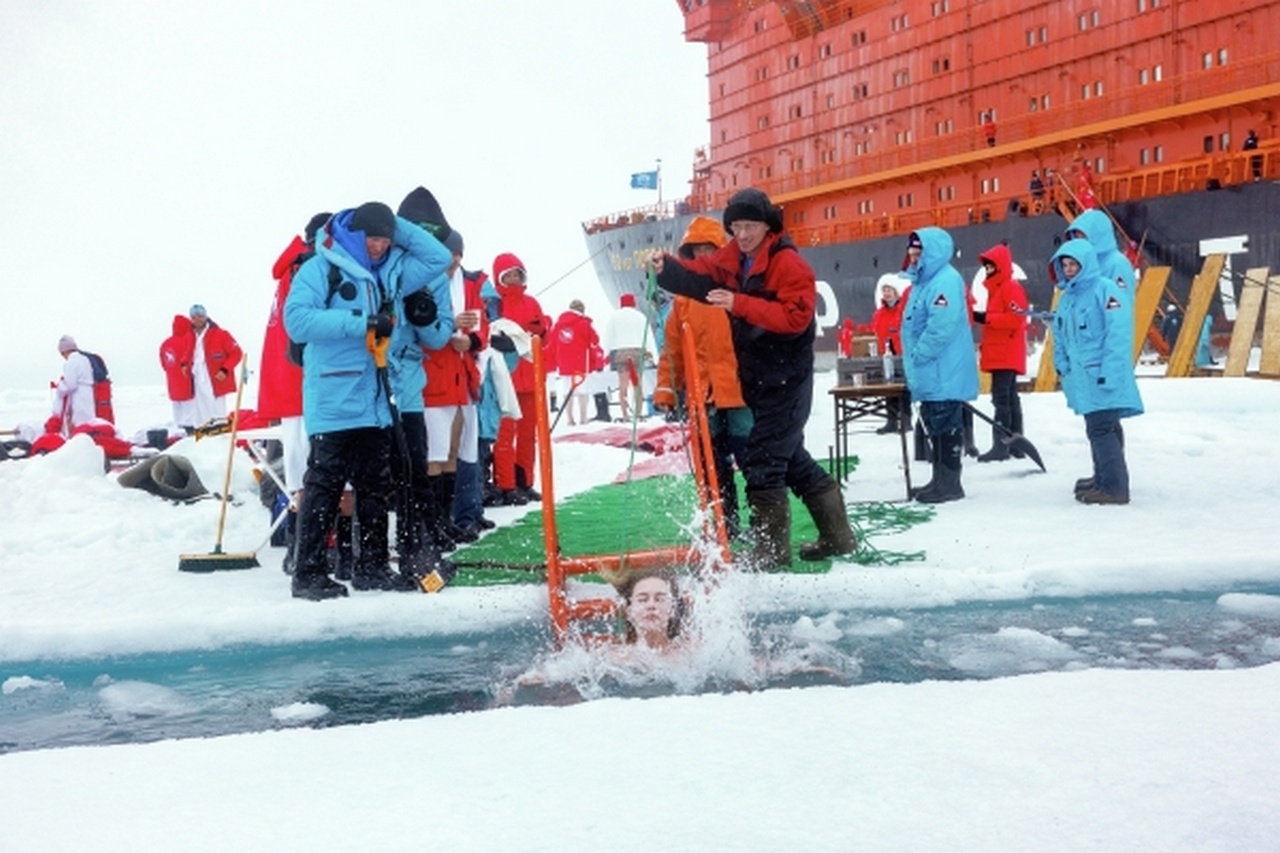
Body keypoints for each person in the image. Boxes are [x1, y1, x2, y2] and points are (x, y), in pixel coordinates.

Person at [650, 187, 856, 569]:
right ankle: (838, 537)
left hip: (787, 381)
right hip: (758, 381)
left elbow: (796, 320)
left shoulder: (790, 264)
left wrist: (739, 304)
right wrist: (669, 270)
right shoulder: (734, 259)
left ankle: (771, 552)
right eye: (736, 227)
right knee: (790, 459)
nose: (742, 234)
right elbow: (702, 277)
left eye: (750, 226)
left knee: (762, 460)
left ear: (768, 226)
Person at [284, 201, 453, 600]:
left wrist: (397, 226)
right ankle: (307, 573)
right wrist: (361, 323)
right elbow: (298, 321)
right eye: (373, 237)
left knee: (374, 485)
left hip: (376, 395)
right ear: (354, 234)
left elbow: (438, 256)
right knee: (324, 485)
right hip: (333, 396)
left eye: (385, 239)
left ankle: (372, 566)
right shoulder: (320, 269)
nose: (379, 246)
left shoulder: (392, 271)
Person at [653, 215, 752, 536]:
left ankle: (763, 523)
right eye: (694, 251)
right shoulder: (682, 302)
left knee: (752, 459)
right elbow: (672, 353)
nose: (701, 256)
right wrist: (667, 391)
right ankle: (726, 526)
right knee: (713, 468)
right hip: (702, 398)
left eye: (708, 248)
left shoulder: (737, 290)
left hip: (739, 394)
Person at [1050, 238, 1143, 505]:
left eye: (1073, 264)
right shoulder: (1068, 298)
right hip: (1084, 378)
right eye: (1064, 264)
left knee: (1101, 429)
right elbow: (1061, 335)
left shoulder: (1106, 290)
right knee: (1102, 428)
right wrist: (1062, 367)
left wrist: (1110, 373)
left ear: (1086, 264)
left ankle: (1114, 487)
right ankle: (1103, 477)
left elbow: (1118, 334)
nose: (1068, 269)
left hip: (1101, 376)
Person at [900, 228, 979, 503]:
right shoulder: (924, 282)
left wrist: (918, 354)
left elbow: (941, 325)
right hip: (933, 371)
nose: (912, 255)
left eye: (918, 250)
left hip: (943, 369)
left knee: (946, 425)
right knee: (936, 425)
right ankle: (940, 479)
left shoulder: (944, 280)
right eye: (911, 250)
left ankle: (950, 484)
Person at [490, 252, 551, 505]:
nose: (514, 279)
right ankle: (506, 485)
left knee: (528, 435)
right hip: (506, 380)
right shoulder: (493, 305)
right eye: (508, 274)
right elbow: (488, 334)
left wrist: (543, 330)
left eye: (517, 274)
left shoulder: (532, 303)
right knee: (505, 434)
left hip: (531, 379)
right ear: (499, 278)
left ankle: (525, 482)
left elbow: (543, 338)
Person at [973, 244, 1029, 461]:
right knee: (1010, 398)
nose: (988, 270)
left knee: (1001, 399)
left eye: (991, 266)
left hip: (1006, 353)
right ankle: (1016, 444)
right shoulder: (998, 289)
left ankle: (1001, 446)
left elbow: (1016, 318)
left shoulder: (1009, 288)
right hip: (1002, 352)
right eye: (986, 267)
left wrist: (985, 318)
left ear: (1001, 266)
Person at [184, 304, 243, 429]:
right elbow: (188, 353)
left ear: (206, 316)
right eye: (194, 317)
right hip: (197, 376)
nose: (197, 319)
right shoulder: (189, 336)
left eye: (200, 316)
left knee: (217, 407)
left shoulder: (221, 334)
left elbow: (237, 353)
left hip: (215, 377)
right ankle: (202, 431)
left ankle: (218, 430)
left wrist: (225, 369)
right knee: (199, 408)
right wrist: (184, 364)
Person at [602, 293, 655, 422]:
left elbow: (608, 335)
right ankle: (638, 413)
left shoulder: (615, 317)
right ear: (633, 303)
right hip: (637, 351)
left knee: (623, 385)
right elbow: (647, 334)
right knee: (638, 384)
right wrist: (650, 352)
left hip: (620, 352)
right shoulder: (640, 316)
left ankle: (625, 415)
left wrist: (607, 354)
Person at [548, 299, 599, 427]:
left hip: (564, 362)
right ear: (582, 310)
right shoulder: (584, 323)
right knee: (582, 390)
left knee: (567, 390)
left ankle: (570, 419)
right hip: (580, 361)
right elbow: (595, 340)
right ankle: (583, 418)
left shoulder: (558, 324)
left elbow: (552, 343)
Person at [870, 279, 910, 434]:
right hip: (886, 353)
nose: (886, 294)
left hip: (901, 353)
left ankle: (906, 420)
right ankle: (891, 420)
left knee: (903, 388)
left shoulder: (903, 310)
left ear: (896, 292)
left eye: (889, 290)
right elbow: (876, 331)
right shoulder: (879, 313)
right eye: (884, 290)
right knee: (888, 387)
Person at [1066, 209, 1135, 298]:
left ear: (1097, 235)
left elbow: (1119, 304)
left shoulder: (1117, 264)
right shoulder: (1085, 264)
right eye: (1076, 237)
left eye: (1083, 236)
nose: (1080, 242)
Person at [616, 567, 686, 650]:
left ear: (672, 609)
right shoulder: (615, 657)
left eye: (659, 600)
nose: (651, 605)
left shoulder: (690, 652)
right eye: (642, 600)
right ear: (629, 611)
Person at [47, 335, 97, 436]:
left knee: (79, 423)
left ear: (64, 351)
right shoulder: (85, 360)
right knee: (89, 421)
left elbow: (71, 385)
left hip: (79, 396)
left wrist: (59, 389)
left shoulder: (71, 362)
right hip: (88, 393)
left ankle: (79, 445)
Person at [158, 316, 197, 430]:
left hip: (173, 382)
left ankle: (178, 429)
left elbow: (163, 364)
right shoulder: (188, 341)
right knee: (190, 410)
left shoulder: (165, 344)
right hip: (187, 381)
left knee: (177, 410)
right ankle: (189, 432)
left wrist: (172, 371)